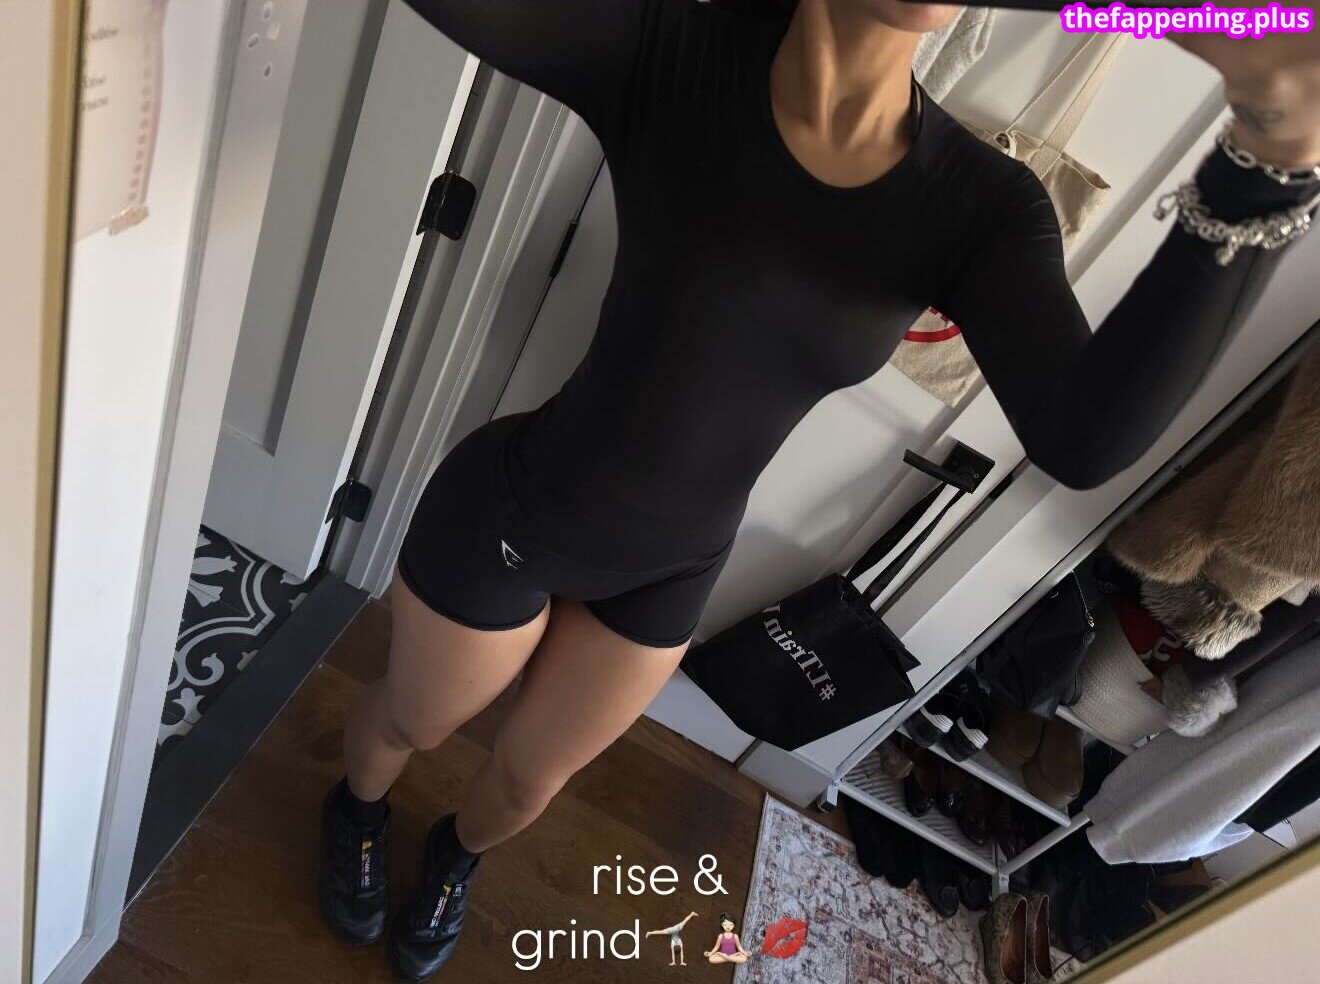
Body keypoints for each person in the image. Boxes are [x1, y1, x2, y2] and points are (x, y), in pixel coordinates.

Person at [316, 1, 1320, 979]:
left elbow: (1084, 439)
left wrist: (1266, 157)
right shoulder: (667, 52)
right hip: (515, 516)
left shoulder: (980, 205)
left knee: (529, 781)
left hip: (673, 566)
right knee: (412, 724)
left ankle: (454, 858)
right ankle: (357, 809)